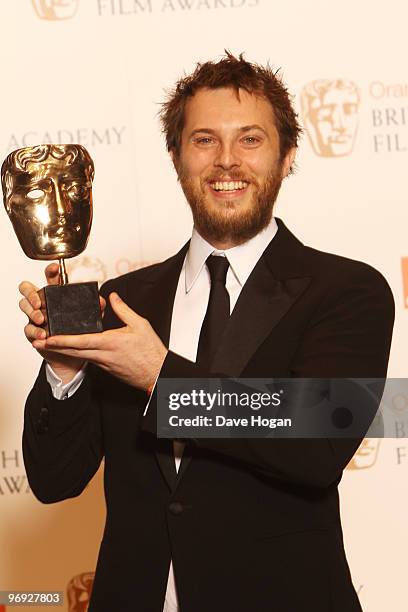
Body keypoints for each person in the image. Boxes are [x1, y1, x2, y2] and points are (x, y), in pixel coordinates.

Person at [19, 52, 394, 612]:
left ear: (287, 155)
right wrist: (65, 370)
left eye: (249, 139)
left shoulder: (347, 291)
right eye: (203, 140)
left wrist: (160, 376)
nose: (226, 162)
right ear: (176, 157)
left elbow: (317, 442)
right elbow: (54, 481)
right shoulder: (124, 301)